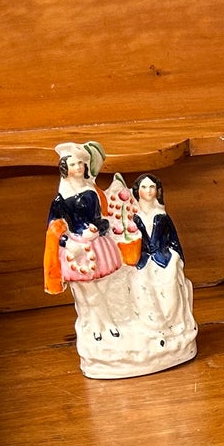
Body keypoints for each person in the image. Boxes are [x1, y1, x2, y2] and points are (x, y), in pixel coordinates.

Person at [43, 142, 137, 368]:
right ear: (65, 168)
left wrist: (99, 227)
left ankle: (106, 322)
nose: (77, 167)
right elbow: (54, 227)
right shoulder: (61, 199)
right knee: (88, 291)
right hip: (77, 249)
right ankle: (100, 325)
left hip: (98, 244)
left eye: (80, 164)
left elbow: (101, 217)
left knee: (103, 286)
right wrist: (68, 241)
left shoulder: (92, 191)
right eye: (72, 164)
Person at [130, 172, 197, 361]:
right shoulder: (134, 217)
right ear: (138, 191)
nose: (148, 191)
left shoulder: (162, 216)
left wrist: (175, 260)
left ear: (157, 191)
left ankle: (171, 327)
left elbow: (174, 242)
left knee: (168, 287)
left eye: (151, 187)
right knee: (142, 288)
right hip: (142, 261)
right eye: (144, 187)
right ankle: (152, 328)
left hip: (164, 258)